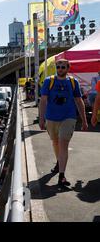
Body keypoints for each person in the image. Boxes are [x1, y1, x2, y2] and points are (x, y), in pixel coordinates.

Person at [39, 59, 88, 187]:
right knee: (55, 143)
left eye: (63, 67)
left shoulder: (73, 82)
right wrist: (41, 119)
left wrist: (84, 120)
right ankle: (58, 162)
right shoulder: (49, 81)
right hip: (51, 118)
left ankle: (62, 175)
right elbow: (43, 101)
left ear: (68, 68)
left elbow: (79, 100)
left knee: (63, 143)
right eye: (58, 67)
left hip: (69, 117)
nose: (60, 69)